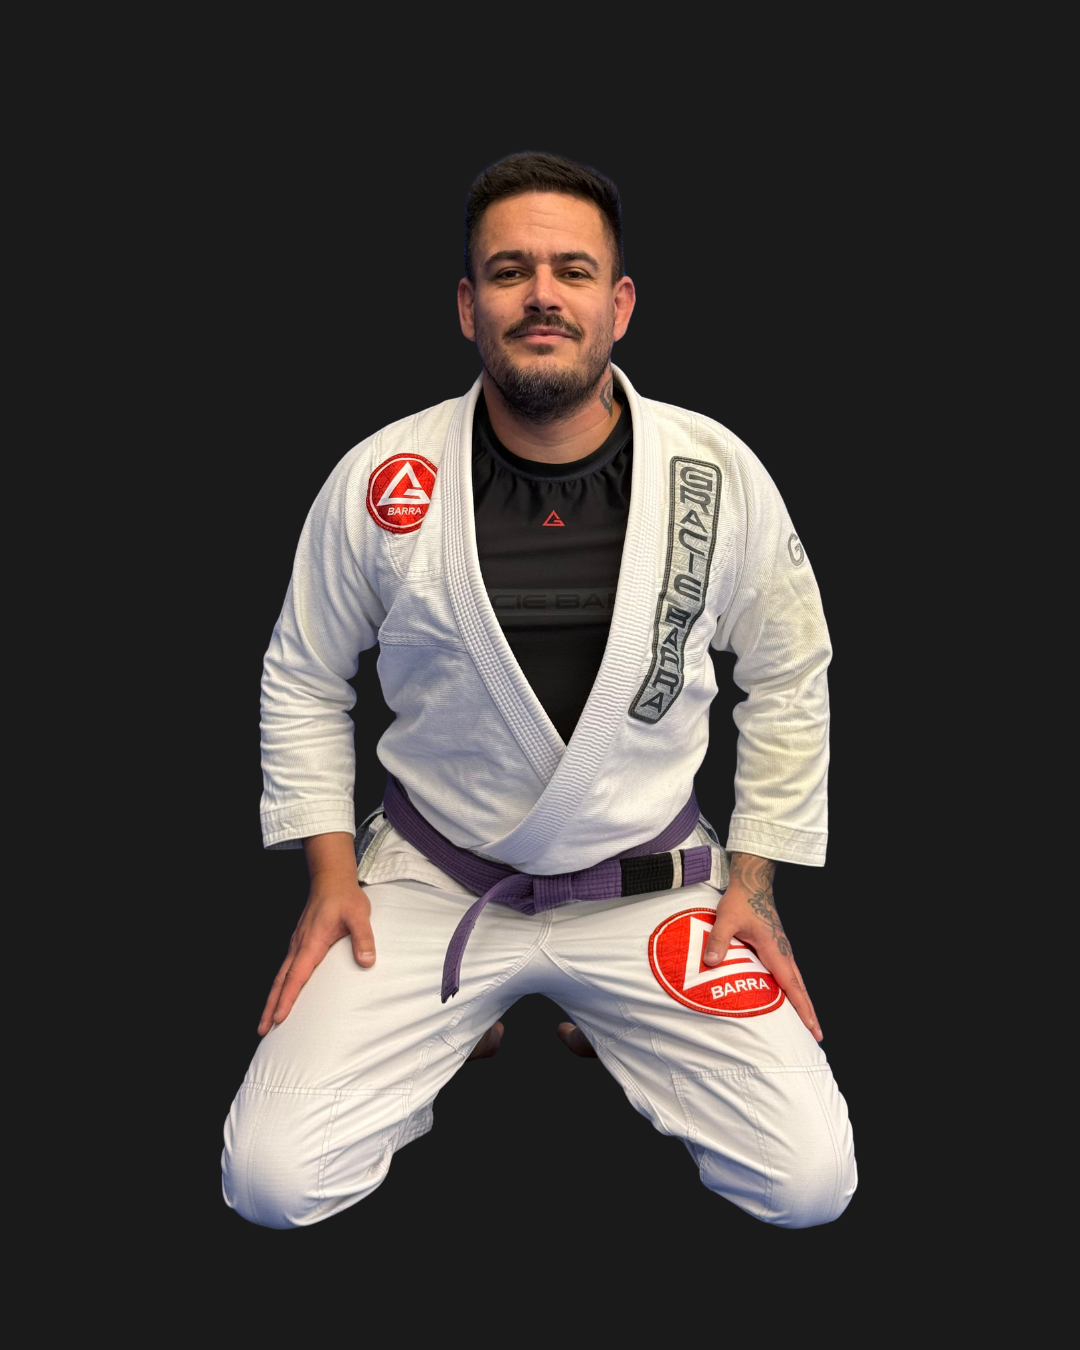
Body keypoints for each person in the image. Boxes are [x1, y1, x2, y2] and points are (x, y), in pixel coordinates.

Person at [221, 152, 856, 1230]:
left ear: (621, 304)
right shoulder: (384, 479)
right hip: (435, 881)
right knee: (272, 1182)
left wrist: (754, 885)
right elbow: (303, 673)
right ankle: (461, 1027)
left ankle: (612, 1022)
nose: (542, 295)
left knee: (809, 1185)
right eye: (510, 271)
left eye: (573, 271)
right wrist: (329, 874)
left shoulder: (714, 472)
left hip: (649, 884)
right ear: (469, 305)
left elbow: (790, 676)